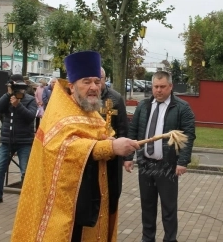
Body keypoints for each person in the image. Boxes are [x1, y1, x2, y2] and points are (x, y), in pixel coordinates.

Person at [11, 51, 140, 242]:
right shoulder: (59, 111)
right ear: (72, 86)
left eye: (97, 82)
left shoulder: (90, 110)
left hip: (92, 200)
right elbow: (64, 148)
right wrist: (110, 148)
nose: (94, 87)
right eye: (86, 82)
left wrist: (114, 142)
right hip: (64, 205)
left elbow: (102, 136)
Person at [124, 70, 196, 242]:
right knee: (147, 206)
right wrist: (128, 157)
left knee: (168, 208)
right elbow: (133, 131)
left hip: (168, 166)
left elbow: (188, 135)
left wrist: (182, 161)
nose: (158, 90)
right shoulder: (143, 106)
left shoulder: (181, 108)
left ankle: (170, 239)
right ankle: (147, 238)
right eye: (156, 86)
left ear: (170, 87)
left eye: (163, 87)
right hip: (146, 165)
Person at [0, 74, 37, 206]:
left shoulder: (30, 99)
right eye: (15, 86)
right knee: (0, 169)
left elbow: (30, 117)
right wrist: (8, 95)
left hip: (24, 141)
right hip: (7, 141)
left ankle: (27, 200)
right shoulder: (7, 98)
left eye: (20, 87)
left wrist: (18, 105)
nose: (19, 90)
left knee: (25, 171)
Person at [100, 67, 128, 221]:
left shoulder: (116, 98)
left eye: (100, 79)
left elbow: (123, 127)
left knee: (112, 191)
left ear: (105, 79)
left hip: (113, 154)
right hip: (94, 153)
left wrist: (126, 156)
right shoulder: (86, 98)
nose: (96, 84)